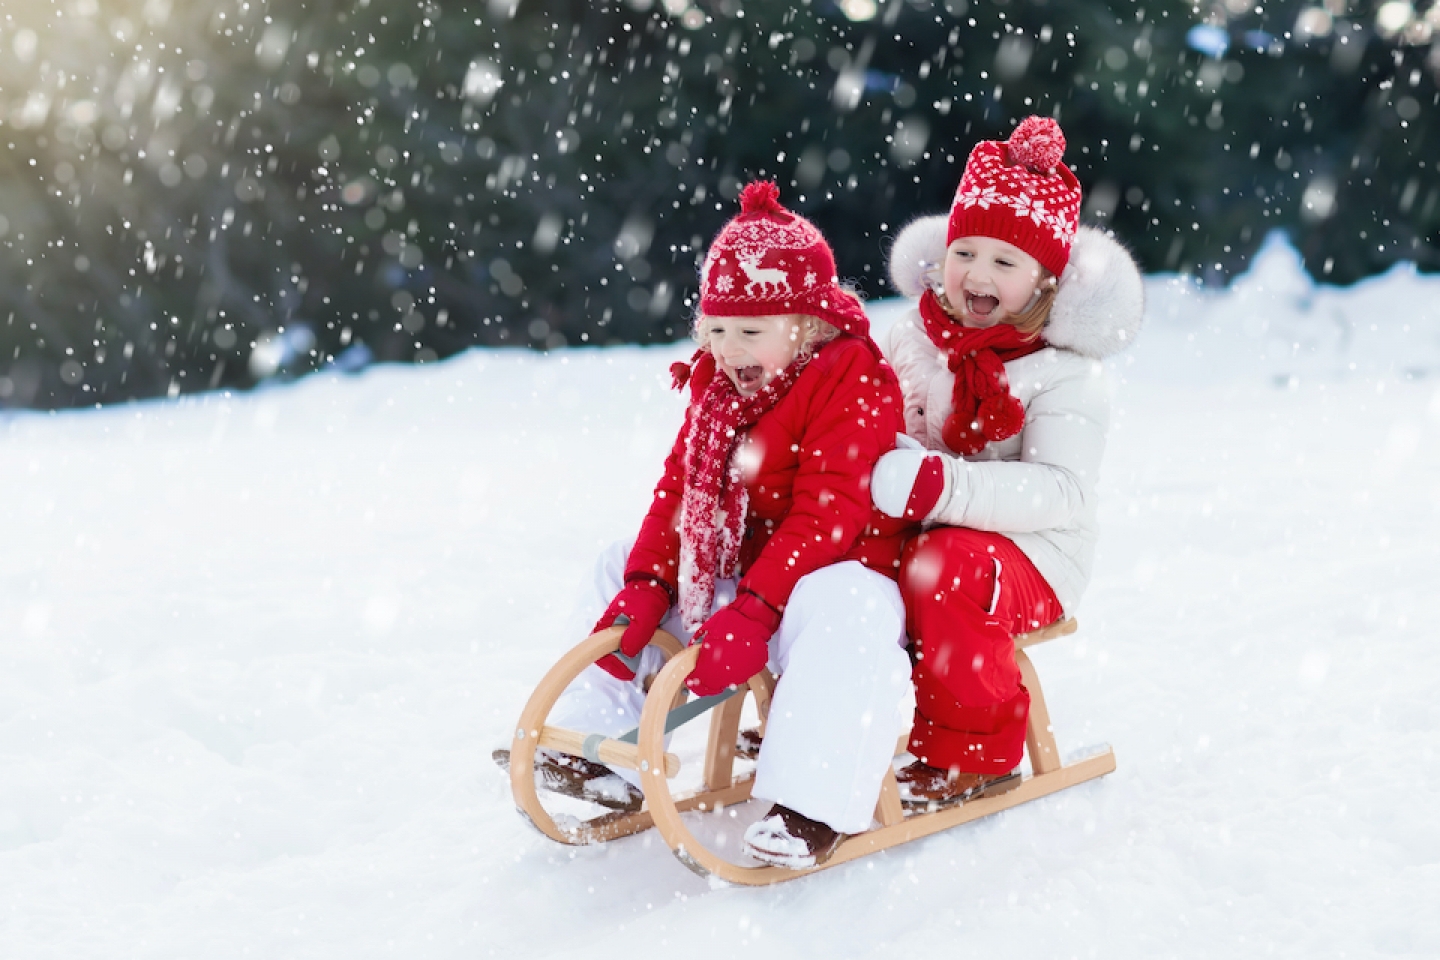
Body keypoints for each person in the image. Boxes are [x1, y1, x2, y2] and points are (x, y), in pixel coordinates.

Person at [518, 181, 916, 868]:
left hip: (831, 577)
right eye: (717, 329)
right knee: (618, 562)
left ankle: (810, 805)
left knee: (850, 608)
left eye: (750, 332)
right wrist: (648, 581)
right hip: (745, 584)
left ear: (808, 324)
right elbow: (678, 494)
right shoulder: (718, 391)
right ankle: (598, 747)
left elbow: (830, 513)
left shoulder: (850, 377)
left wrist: (760, 609)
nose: (729, 349)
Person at [868, 116, 1144, 806]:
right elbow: (884, 424)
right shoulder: (915, 337)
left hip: (1036, 554)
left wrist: (937, 483)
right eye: (966, 251)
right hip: (930, 525)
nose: (976, 275)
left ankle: (974, 752)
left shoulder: (1065, 373)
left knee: (944, 568)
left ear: (1046, 280)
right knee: (838, 555)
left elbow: (1059, 492)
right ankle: (830, 711)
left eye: (1004, 262)